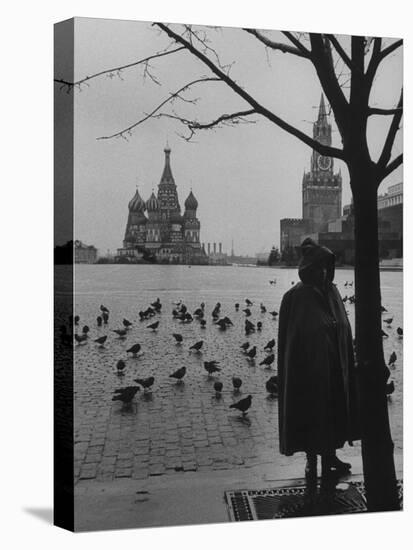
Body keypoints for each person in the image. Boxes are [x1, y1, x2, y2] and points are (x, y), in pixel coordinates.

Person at [277, 238, 360, 481]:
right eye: (320, 267)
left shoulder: (332, 293)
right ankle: (311, 459)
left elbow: (342, 327)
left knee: (333, 411)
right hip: (309, 371)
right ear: (310, 270)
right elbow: (292, 341)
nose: (324, 272)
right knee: (312, 413)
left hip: (334, 367)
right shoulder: (295, 298)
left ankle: (330, 455)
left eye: (327, 267)